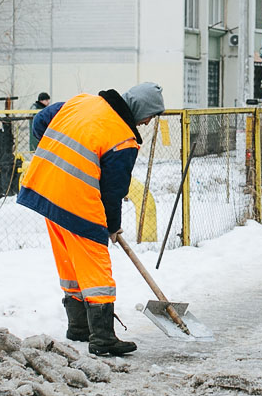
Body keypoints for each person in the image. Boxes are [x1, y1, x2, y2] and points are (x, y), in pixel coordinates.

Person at [17, 82, 165, 356]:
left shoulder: (83, 101)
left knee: (70, 262)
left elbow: (41, 121)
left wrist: (54, 154)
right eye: (150, 116)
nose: (147, 123)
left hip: (45, 188)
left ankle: (79, 326)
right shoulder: (123, 139)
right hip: (77, 202)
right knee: (96, 265)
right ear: (140, 109)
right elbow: (114, 190)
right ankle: (103, 338)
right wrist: (111, 226)